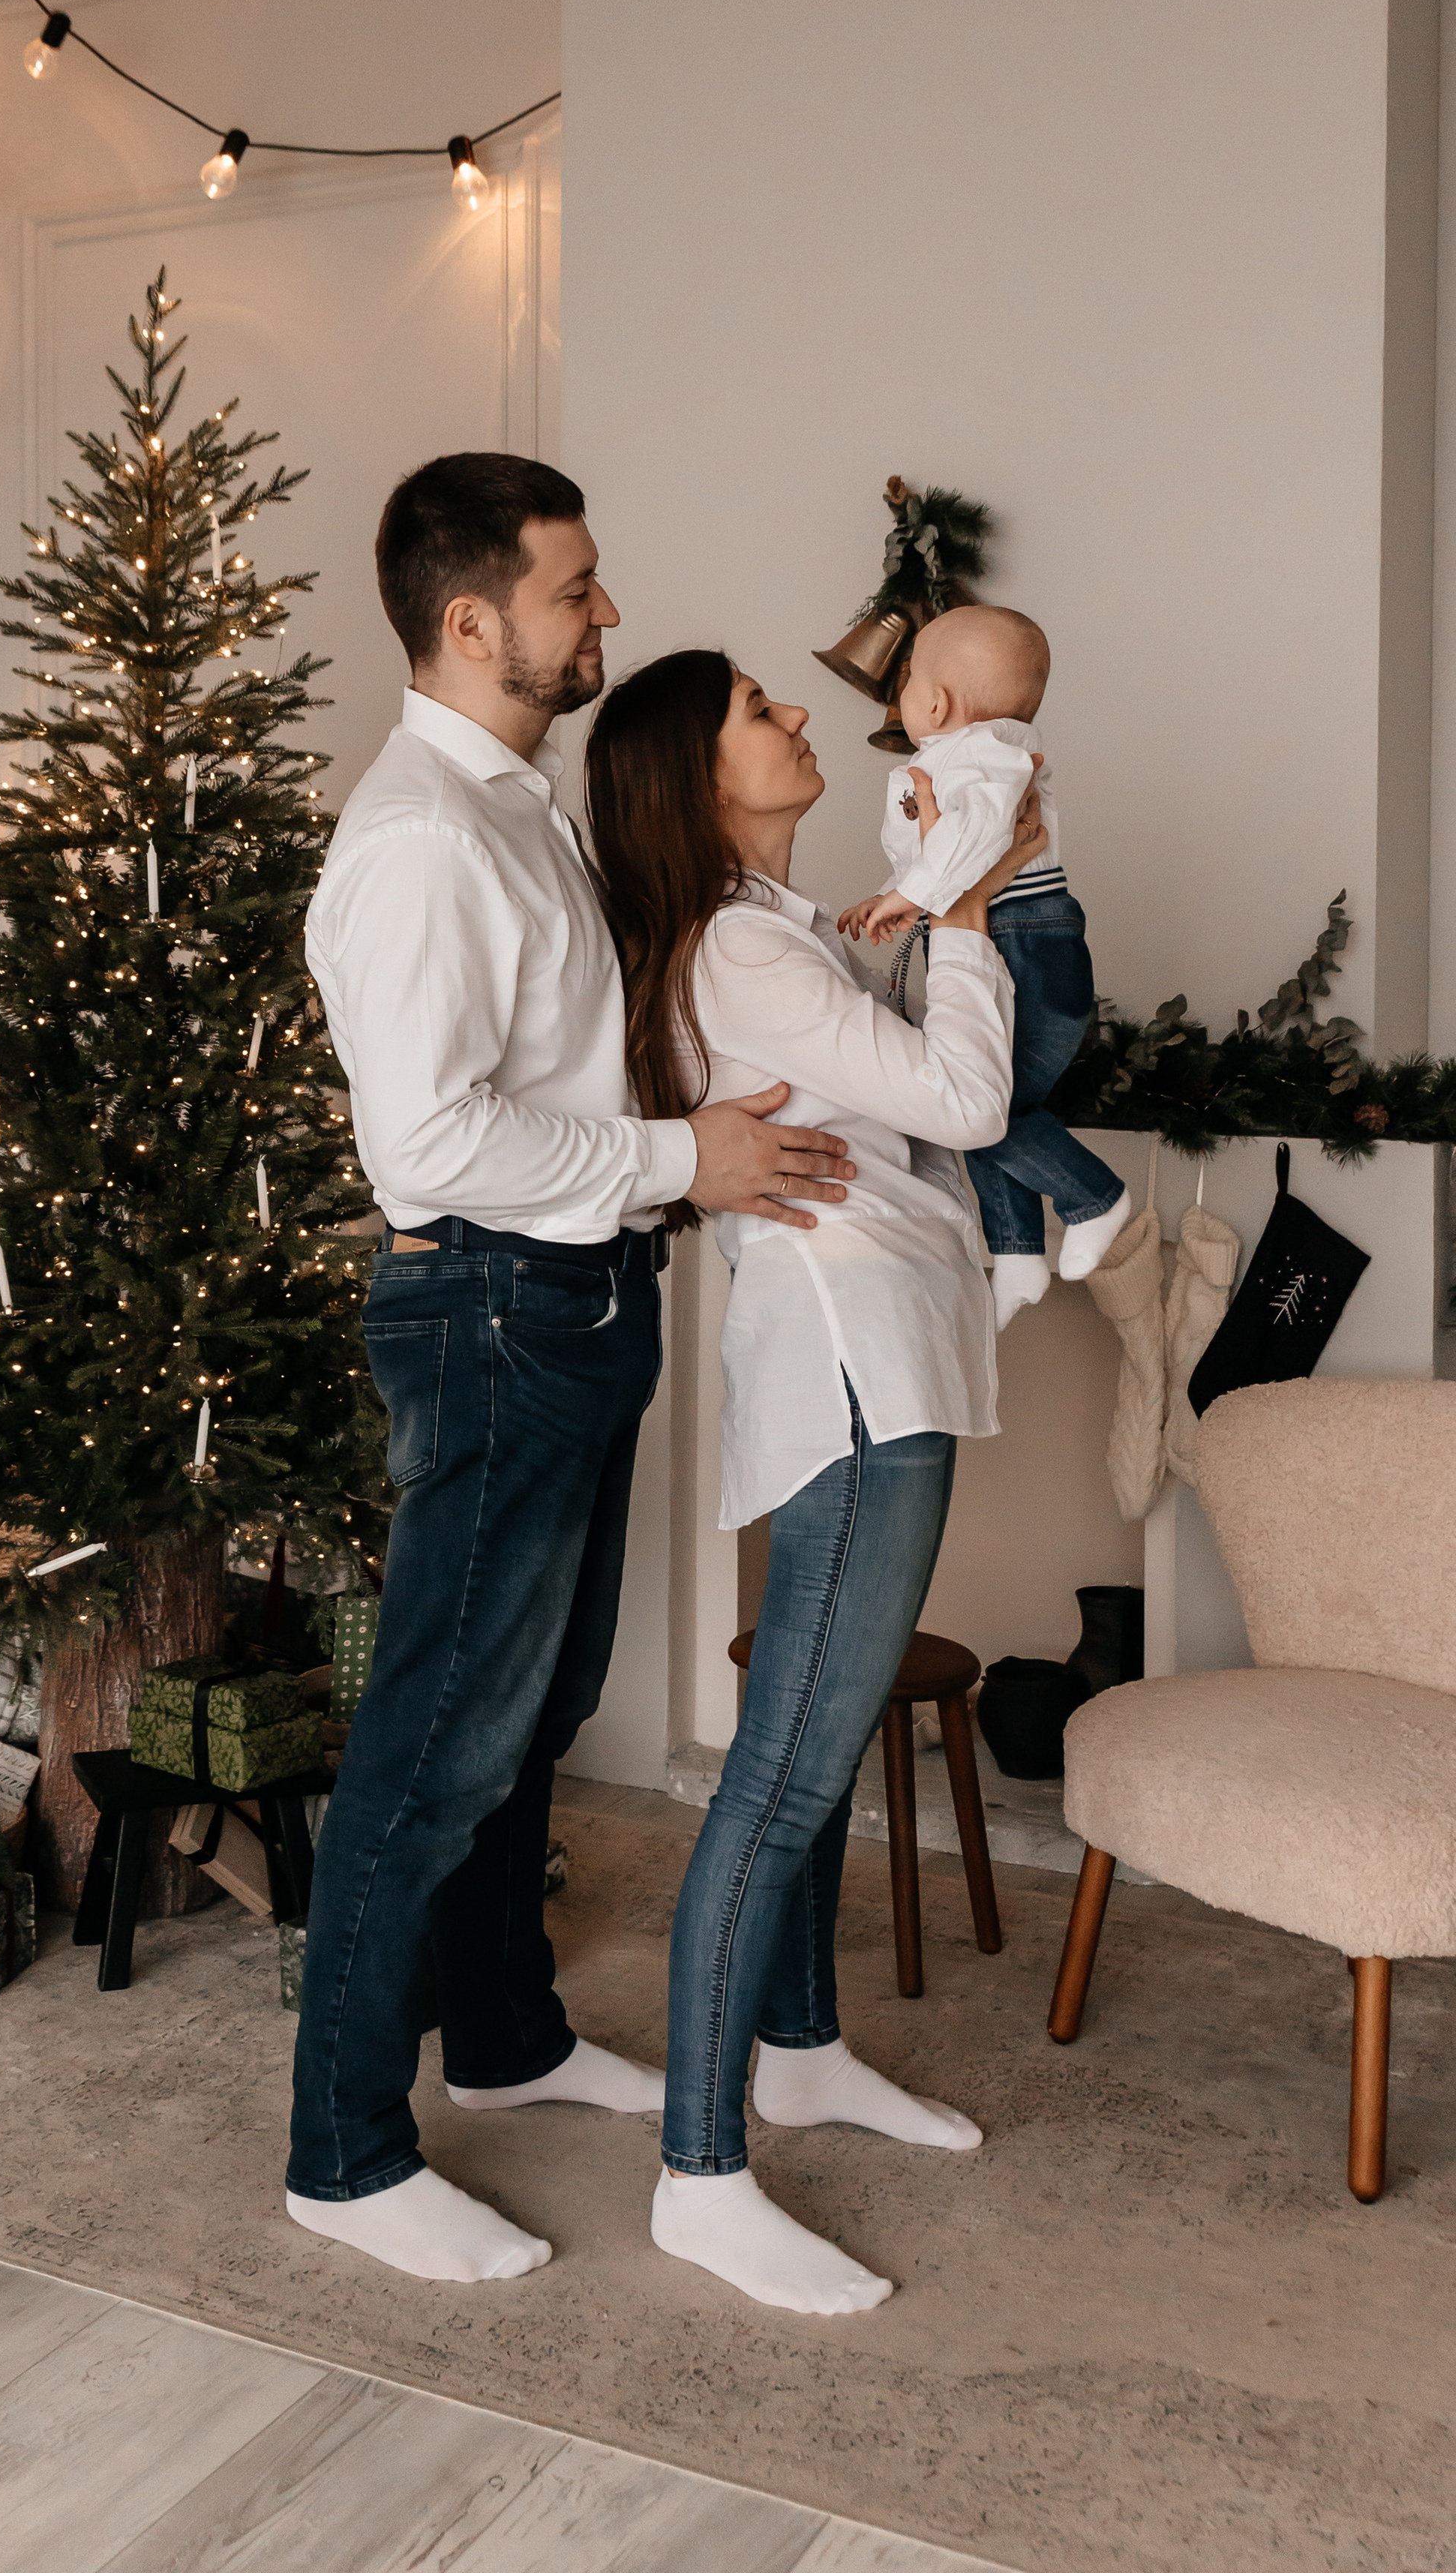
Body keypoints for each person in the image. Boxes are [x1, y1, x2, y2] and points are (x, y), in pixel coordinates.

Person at [286, 455, 857, 2286]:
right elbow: (436, 1142)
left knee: (530, 1711)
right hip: (492, 1310)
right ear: (475, 619)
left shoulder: (514, 805)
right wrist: (682, 1158)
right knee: (432, 1745)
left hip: (575, 1300)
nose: (604, 612)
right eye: (575, 586)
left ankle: (509, 2037)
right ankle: (345, 2156)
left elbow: (551, 1074)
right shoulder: (418, 843)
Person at [586, 648, 1048, 2316]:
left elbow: (905, 1109)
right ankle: (701, 2179)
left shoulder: (777, 937)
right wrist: (980, 914)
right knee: (779, 1778)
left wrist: (924, 924)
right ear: (696, 781)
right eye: (759, 716)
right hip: (858, 1372)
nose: (796, 725)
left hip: (874, 1351)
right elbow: (967, 1100)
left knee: (812, 1747)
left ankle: (797, 2052)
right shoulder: (734, 947)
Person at [836, 602, 1127, 1328]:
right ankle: (1019, 1252)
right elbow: (943, 851)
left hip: (1025, 933)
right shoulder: (954, 760)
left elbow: (977, 835)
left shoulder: (988, 755)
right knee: (985, 1096)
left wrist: (911, 893)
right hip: (991, 928)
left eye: (904, 685)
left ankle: (1095, 1196)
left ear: (932, 700)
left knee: (982, 1108)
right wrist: (896, 894)